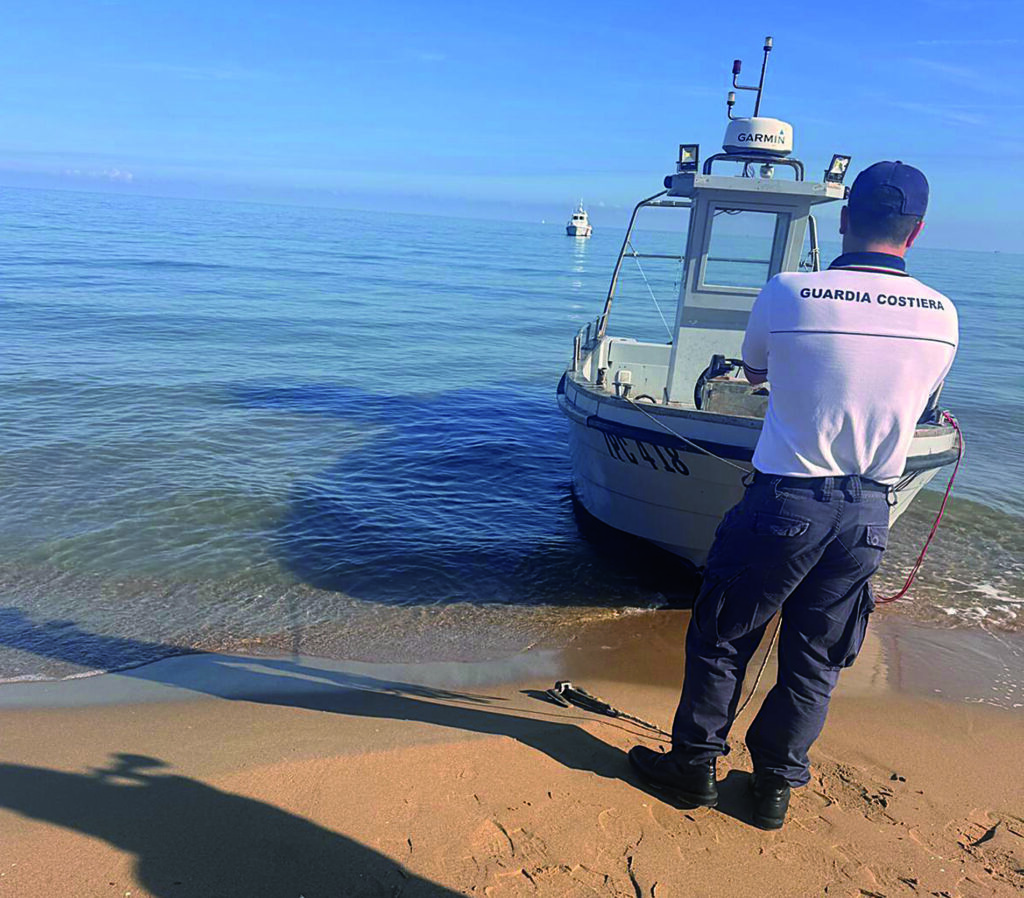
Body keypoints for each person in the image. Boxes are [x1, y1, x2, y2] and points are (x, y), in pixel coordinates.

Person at [628, 161, 959, 829]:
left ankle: (695, 767)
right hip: (869, 511)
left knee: (725, 636)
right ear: (916, 231)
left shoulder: (789, 292)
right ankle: (775, 786)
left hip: (786, 501)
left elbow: (755, 370)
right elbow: (919, 400)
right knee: (818, 656)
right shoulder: (942, 315)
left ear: (845, 218)